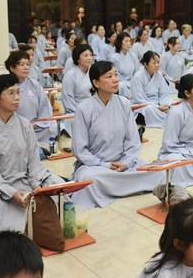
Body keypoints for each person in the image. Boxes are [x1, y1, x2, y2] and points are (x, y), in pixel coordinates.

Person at [0, 74, 64, 231]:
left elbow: (34, 162)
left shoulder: (25, 124)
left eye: (18, 92)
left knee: (60, 184)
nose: (17, 97)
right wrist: (12, 193)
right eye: (11, 93)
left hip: (26, 178)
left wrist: (37, 187)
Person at [70, 61, 165, 208]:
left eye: (116, 75)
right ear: (96, 83)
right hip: (95, 166)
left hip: (123, 163)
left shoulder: (124, 103)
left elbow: (132, 141)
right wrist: (105, 165)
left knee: (159, 172)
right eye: (109, 76)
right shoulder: (83, 109)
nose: (115, 80)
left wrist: (126, 162)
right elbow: (80, 150)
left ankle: (116, 186)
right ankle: (125, 185)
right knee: (87, 179)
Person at [5, 50, 56, 146]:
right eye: (22, 64)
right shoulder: (6, 86)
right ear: (12, 68)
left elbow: (44, 107)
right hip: (15, 127)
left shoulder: (34, 84)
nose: (26, 67)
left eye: (28, 64)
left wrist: (38, 124)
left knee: (52, 128)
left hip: (36, 127)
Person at [131, 51, 172, 128]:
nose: (157, 65)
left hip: (157, 103)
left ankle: (168, 118)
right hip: (143, 105)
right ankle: (168, 120)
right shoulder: (138, 77)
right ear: (146, 64)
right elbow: (139, 99)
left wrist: (165, 105)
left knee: (173, 104)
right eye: (154, 63)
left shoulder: (159, 75)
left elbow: (164, 94)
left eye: (158, 62)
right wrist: (157, 107)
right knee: (149, 109)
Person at [60, 44, 93, 137]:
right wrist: (81, 113)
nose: (89, 58)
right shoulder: (70, 76)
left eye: (91, 55)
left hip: (93, 108)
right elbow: (68, 100)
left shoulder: (94, 73)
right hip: (76, 111)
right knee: (74, 120)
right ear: (78, 59)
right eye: (86, 55)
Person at [109, 32, 139, 99]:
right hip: (122, 82)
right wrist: (127, 83)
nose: (128, 43)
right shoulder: (114, 58)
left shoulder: (133, 56)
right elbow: (116, 74)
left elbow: (137, 71)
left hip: (133, 82)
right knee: (121, 85)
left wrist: (134, 81)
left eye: (129, 41)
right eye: (126, 41)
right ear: (120, 42)